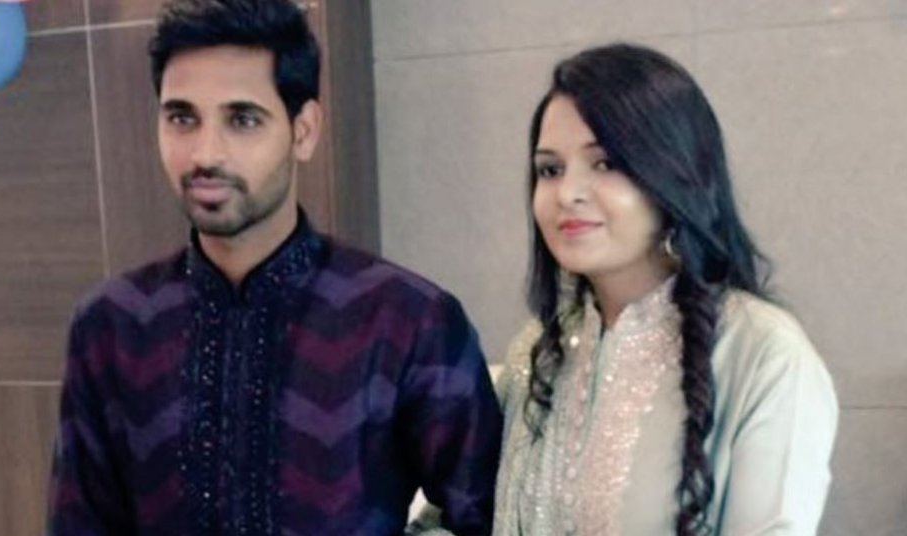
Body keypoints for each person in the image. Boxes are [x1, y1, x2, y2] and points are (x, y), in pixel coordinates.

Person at [46, 1, 501, 534]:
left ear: (303, 131)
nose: (205, 153)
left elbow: (489, 516)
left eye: (242, 119)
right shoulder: (111, 326)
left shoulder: (407, 321)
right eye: (182, 118)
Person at [492, 44, 838, 535]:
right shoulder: (536, 351)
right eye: (550, 169)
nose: (567, 193)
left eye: (605, 163)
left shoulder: (763, 353)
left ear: (674, 176)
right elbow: (460, 518)